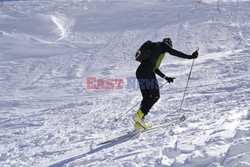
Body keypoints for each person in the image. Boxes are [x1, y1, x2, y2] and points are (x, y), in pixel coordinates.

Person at [133, 37, 198, 131]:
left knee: (147, 98)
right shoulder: (163, 45)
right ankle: (139, 115)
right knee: (155, 96)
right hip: (147, 71)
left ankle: (138, 124)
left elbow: (154, 68)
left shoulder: (154, 50)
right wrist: (190, 56)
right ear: (169, 44)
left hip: (140, 72)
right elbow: (174, 52)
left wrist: (166, 77)